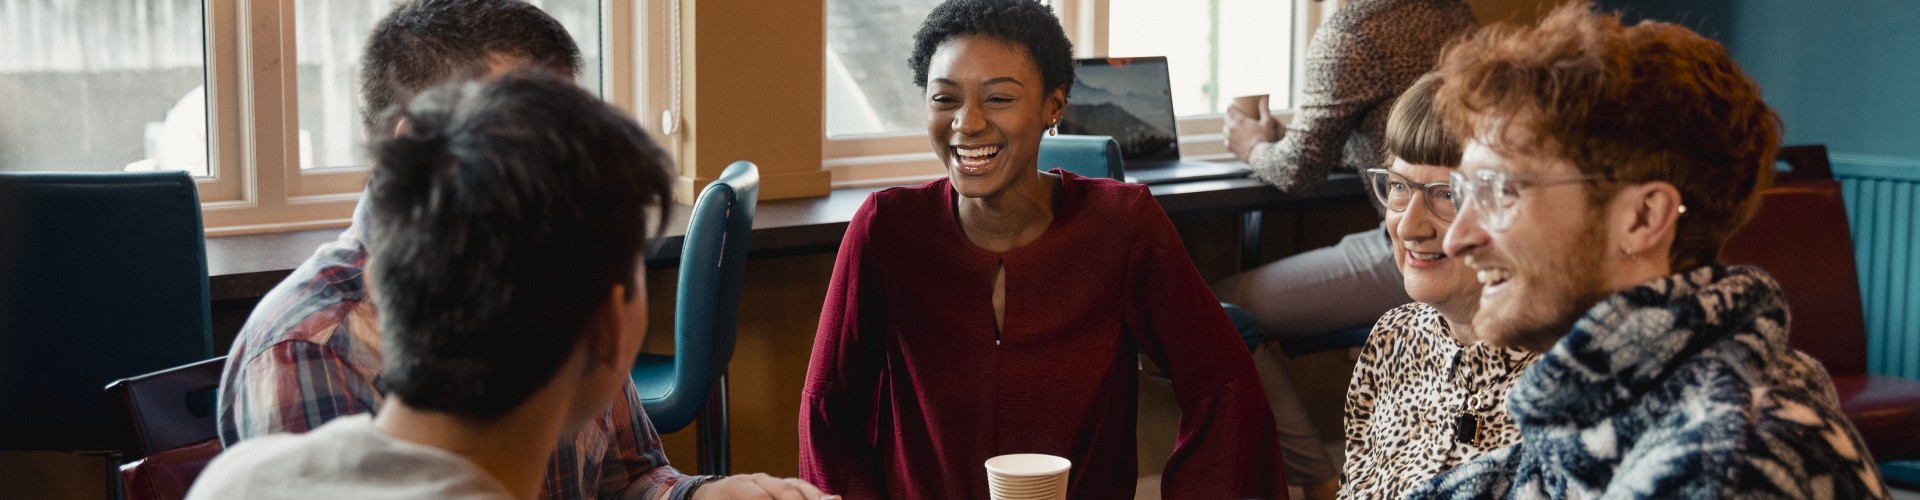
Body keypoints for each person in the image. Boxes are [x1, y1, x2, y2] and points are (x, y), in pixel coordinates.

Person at [215, 1, 817, 498]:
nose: (559, 174)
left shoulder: (550, 274)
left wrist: (703, 495)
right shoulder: (307, 348)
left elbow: (626, 478)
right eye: (535, 138)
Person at [797, 0, 1284, 498]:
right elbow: (827, 408)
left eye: (999, 99)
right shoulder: (886, 229)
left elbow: (1223, 386)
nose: (966, 123)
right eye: (945, 99)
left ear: (1054, 106)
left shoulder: (1122, 224)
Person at [1406, 3, 1887, 498]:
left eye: (1498, 191)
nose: (1456, 238)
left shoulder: (1726, 466)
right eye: (1464, 191)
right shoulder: (1599, 411)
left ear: (1642, 219)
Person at [1209, 1, 1478, 495]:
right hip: (1418, 221)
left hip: (1414, 238)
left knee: (1216, 314)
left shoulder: (1352, 33)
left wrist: (1250, 145)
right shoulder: (1449, 10)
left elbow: (1298, 169)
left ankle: (1320, 480)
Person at [1337, 72, 1536, 498]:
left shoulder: (1561, 380)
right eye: (1399, 187)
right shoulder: (1394, 337)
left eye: (1447, 195)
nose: (1409, 226)